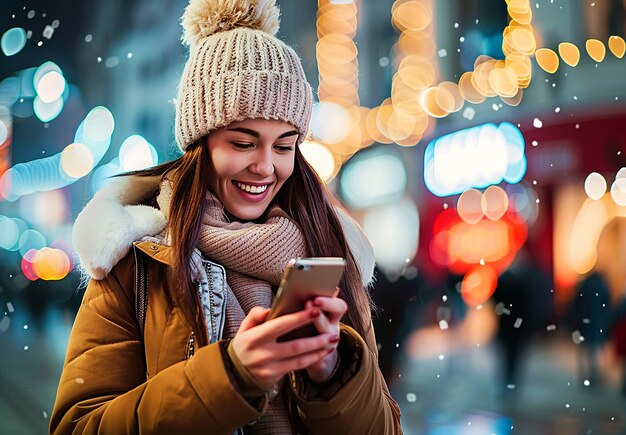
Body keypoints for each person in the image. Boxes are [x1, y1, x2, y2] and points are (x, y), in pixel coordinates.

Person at [49, 0, 402, 434]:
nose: (266, 166)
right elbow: (77, 427)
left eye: (284, 146)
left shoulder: (329, 251)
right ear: (201, 142)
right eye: (243, 142)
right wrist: (230, 377)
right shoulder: (137, 260)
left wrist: (332, 372)